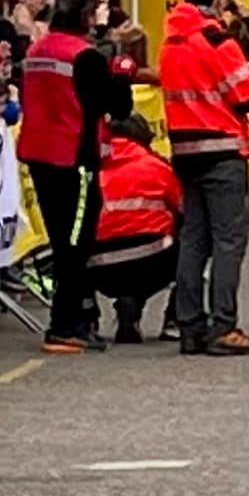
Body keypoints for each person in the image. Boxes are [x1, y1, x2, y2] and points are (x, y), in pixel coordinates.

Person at [157, 0, 249, 356]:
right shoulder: (215, 40)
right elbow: (247, 96)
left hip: (185, 149)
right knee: (228, 241)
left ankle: (189, 324)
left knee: (194, 239)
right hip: (221, 148)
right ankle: (224, 325)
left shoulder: (172, 38)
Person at [25, 0, 138, 354]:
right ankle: (64, 325)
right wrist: (121, 73)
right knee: (76, 241)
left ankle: (79, 317)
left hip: (41, 153)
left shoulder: (39, 48)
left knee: (62, 239)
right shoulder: (85, 57)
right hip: (74, 155)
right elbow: (116, 107)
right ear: (87, 16)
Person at [85, 115, 186, 348]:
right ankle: (177, 320)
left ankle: (86, 318)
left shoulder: (89, 168)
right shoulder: (158, 167)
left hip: (99, 266)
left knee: (72, 249)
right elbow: (185, 208)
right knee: (194, 248)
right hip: (154, 260)